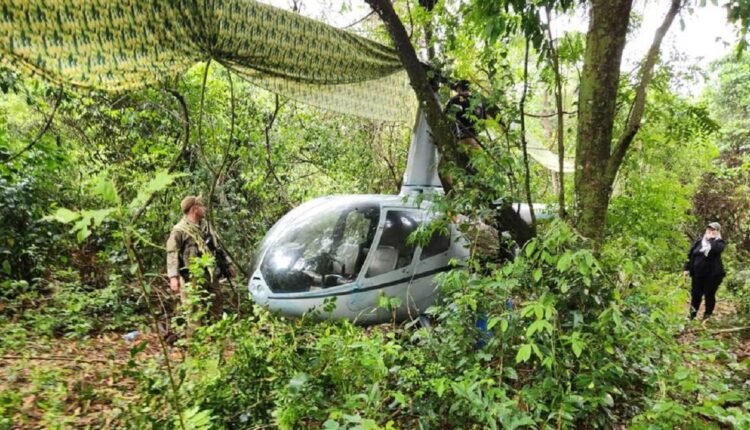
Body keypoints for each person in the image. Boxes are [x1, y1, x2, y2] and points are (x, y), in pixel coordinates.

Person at [166, 195, 232, 332]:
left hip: (210, 274)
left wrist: (228, 265)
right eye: (202, 206)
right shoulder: (179, 230)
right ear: (194, 209)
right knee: (194, 311)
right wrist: (173, 277)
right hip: (192, 277)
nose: (205, 208)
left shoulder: (206, 226)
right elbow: (172, 253)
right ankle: (195, 346)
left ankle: (215, 340)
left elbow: (217, 246)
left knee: (216, 304)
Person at [683, 221, 726, 320]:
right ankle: (692, 315)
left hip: (713, 275)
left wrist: (711, 239)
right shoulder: (699, 242)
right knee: (695, 295)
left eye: (713, 230)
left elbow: (715, 250)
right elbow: (691, 255)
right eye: (709, 229)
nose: (710, 231)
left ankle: (707, 316)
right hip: (698, 274)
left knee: (709, 295)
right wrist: (686, 268)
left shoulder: (719, 242)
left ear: (717, 231)